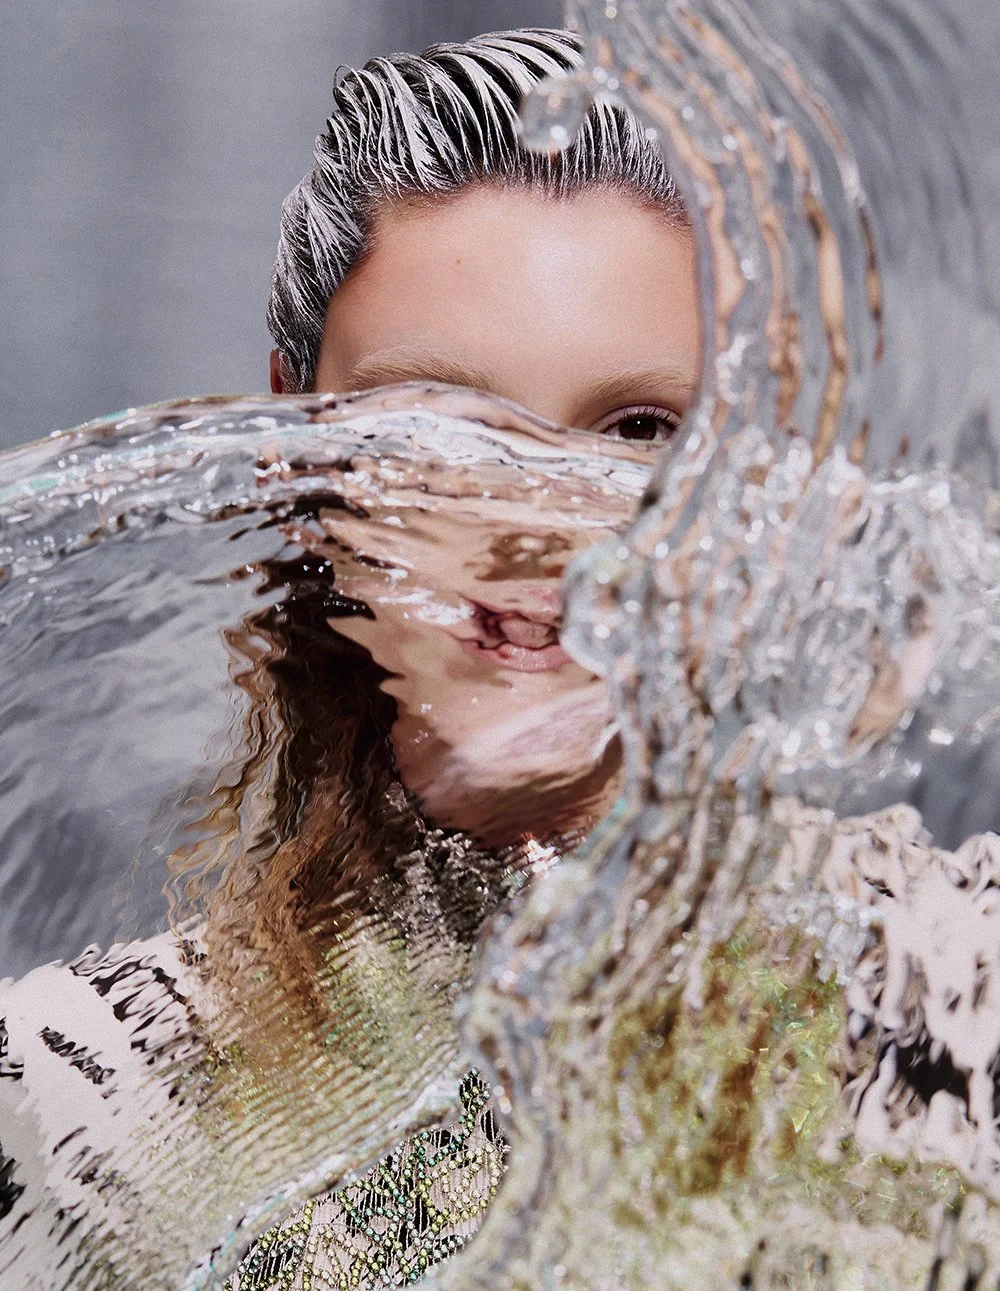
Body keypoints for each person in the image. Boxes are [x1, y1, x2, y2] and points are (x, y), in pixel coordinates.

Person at [0, 28, 699, 1291]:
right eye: (436, 423)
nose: (532, 521)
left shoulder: (950, 1006)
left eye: (637, 428)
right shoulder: (57, 1098)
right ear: (293, 450)